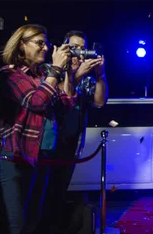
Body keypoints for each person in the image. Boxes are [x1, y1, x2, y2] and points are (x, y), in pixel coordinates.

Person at [0, 24, 76, 234]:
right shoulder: (9, 74)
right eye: (39, 43)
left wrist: (67, 74)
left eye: (46, 43)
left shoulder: (42, 75)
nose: (46, 48)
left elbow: (66, 105)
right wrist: (55, 70)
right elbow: (37, 102)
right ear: (21, 45)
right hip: (16, 155)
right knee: (16, 223)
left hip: (41, 155)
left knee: (33, 218)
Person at [38, 30, 108, 234]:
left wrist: (100, 74)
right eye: (74, 47)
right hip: (46, 143)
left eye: (83, 48)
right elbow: (57, 97)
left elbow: (99, 102)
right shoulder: (50, 68)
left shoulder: (86, 76)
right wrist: (75, 75)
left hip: (70, 142)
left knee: (58, 191)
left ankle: (53, 227)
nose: (79, 53)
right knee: (41, 193)